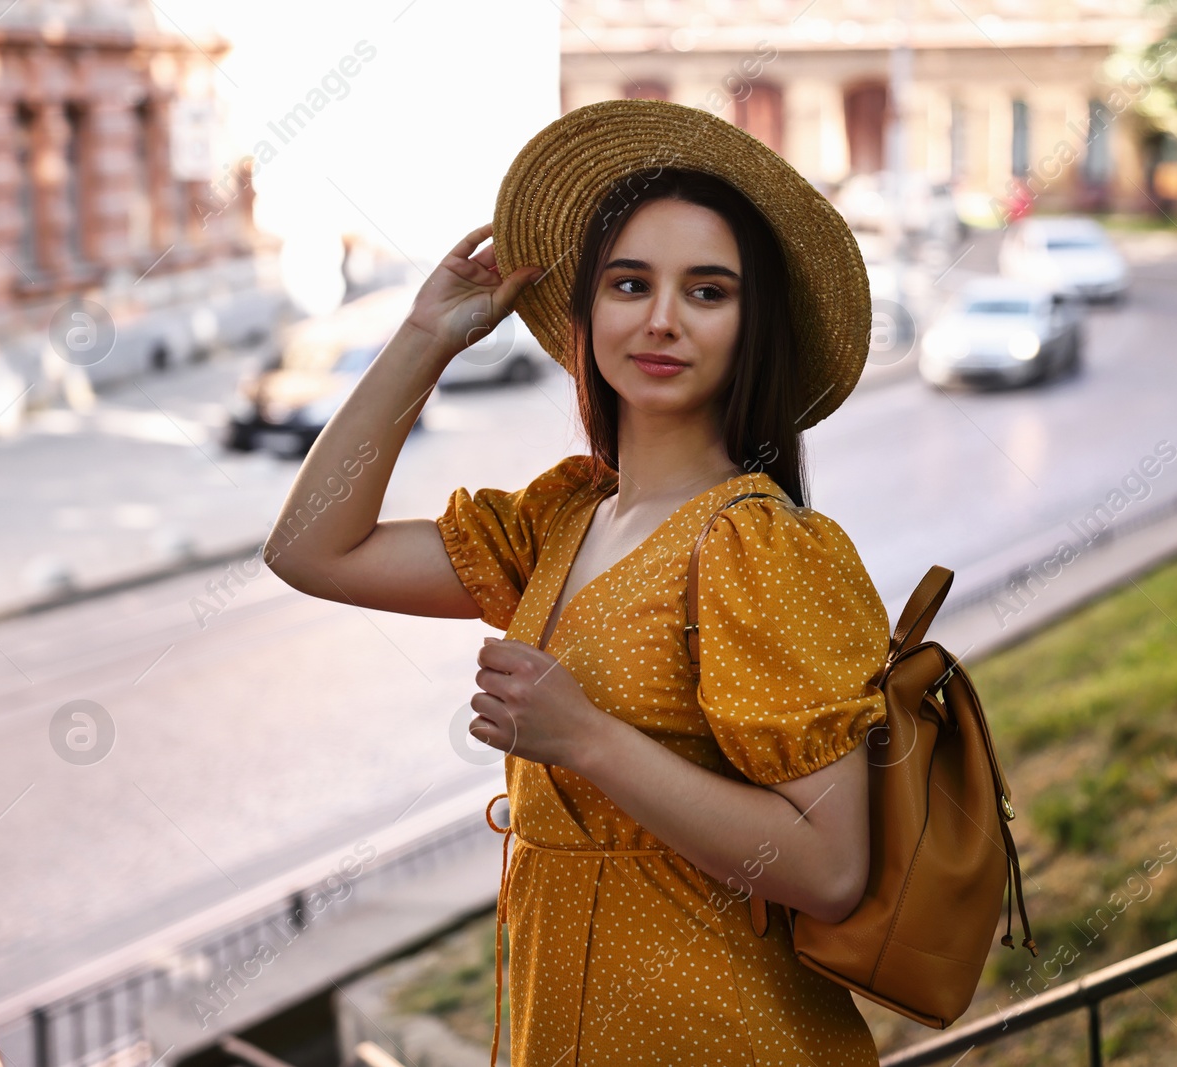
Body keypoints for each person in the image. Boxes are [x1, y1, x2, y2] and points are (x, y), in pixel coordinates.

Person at [265, 100, 888, 1067]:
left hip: (725, 1040)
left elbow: (832, 866)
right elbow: (311, 547)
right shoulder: (560, 519)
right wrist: (424, 339)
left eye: (709, 291)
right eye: (629, 282)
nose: (663, 319)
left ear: (751, 323)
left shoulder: (762, 546)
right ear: (587, 309)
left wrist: (587, 738)